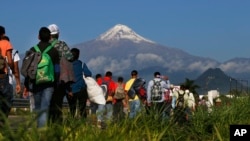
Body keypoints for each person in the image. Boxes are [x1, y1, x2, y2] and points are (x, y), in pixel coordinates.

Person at [23, 27, 60, 128]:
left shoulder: (32, 50)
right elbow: (57, 69)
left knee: (38, 107)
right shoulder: (53, 51)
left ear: (38, 37)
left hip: (35, 82)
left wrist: (26, 83)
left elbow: (28, 68)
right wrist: (56, 82)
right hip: (49, 83)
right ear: (49, 38)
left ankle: (37, 130)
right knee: (45, 107)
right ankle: (42, 132)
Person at [47, 24, 74, 124]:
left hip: (45, 78)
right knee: (58, 103)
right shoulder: (62, 45)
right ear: (58, 34)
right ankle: (57, 124)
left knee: (47, 102)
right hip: (59, 79)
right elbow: (70, 57)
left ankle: (47, 123)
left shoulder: (44, 45)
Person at [66, 48, 92, 119]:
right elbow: (88, 74)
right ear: (78, 55)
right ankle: (83, 124)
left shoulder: (66, 65)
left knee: (72, 108)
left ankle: (71, 123)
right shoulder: (82, 64)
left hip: (70, 90)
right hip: (81, 89)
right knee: (82, 108)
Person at [0, 26, 15, 127]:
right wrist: (13, 70)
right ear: (3, 34)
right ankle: (2, 120)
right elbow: (10, 61)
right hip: (2, 76)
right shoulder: (6, 43)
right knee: (8, 98)